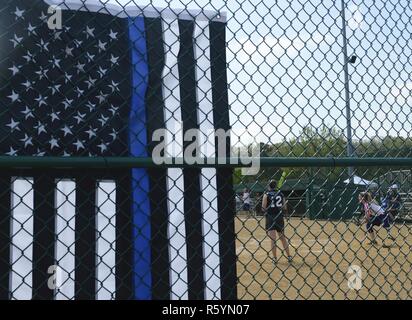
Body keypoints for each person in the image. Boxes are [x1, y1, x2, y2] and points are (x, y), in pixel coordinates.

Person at [262, 180, 292, 264]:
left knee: (273, 239)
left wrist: (269, 207)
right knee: (282, 238)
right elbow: (285, 207)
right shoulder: (280, 194)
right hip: (279, 217)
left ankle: (274, 258)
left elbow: (263, 208)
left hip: (270, 217)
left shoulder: (266, 194)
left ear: (269, 186)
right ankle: (289, 256)